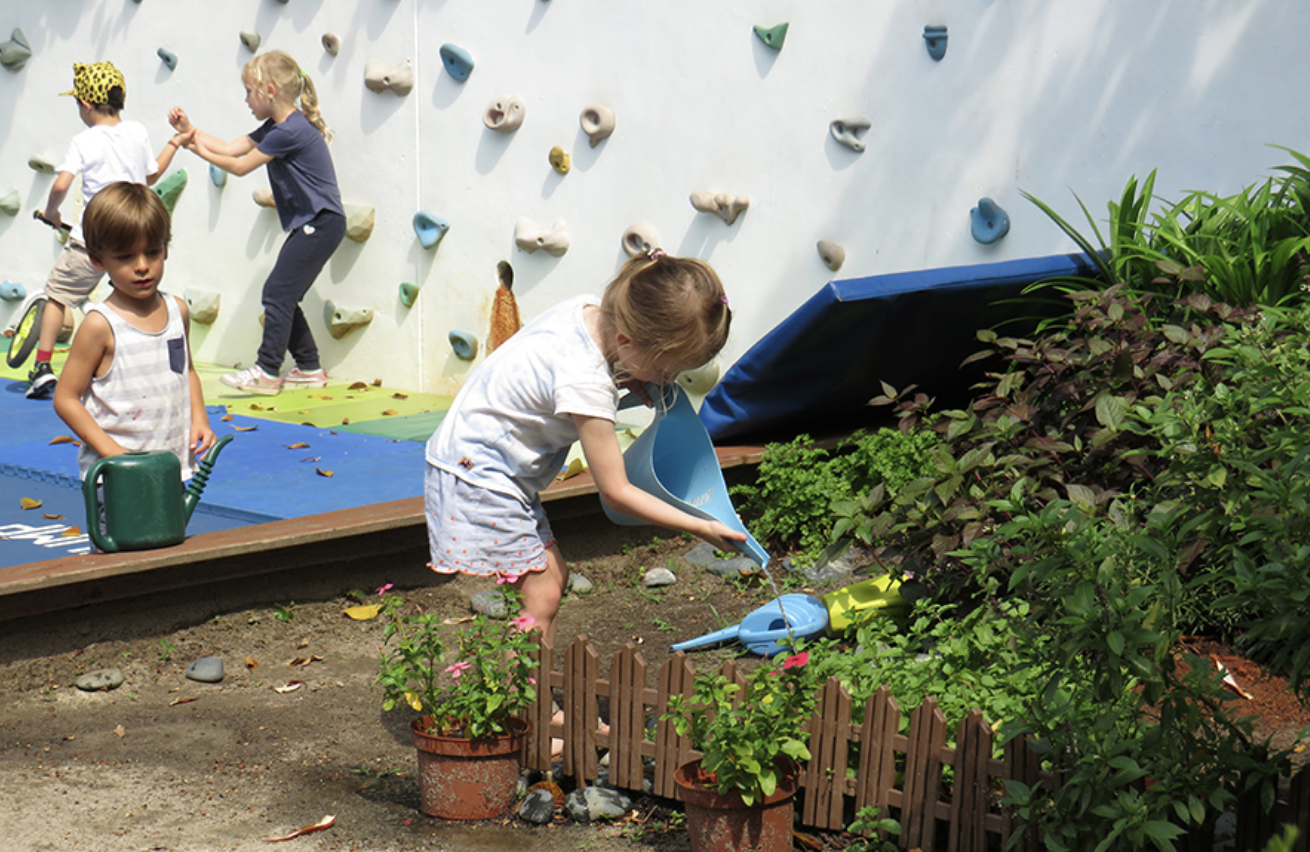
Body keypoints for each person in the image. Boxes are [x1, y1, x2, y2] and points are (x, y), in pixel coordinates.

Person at [424, 249, 746, 646]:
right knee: (542, 593)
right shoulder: (587, 381)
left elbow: (572, 369)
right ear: (626, 340)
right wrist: (698, 524)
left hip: (478, 459)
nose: (668, 380)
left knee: (551, 582)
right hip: (479, 474)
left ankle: (529, 683)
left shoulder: (590, 310)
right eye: (666, 369)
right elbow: (617, 491)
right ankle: (523, 688)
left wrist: (636, 376)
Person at [167, 50, 344, 396]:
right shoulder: (276, 128)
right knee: (282, 294)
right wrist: (191, 132)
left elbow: (239, 166)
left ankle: (267, 371)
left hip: (321, 222)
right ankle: (309, 367)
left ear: (270, 90)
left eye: (249, 91)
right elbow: (230, 148)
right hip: (319, 223)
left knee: (277, 293)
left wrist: (194, 149)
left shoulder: (289, 131)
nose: (246, 99)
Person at [26, 60, 191, 400]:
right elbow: (151, 175)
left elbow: (62, 184)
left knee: (57, 296)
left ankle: (42, 368)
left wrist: (52, 213)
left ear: (86, 104)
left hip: (95, 241)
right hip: (132, 239)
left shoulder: (83, 140)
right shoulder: (137, 132)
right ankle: (140, 367)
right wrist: (174, 143)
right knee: (137, 301)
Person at [53, 182, 215, 487]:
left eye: (152, 252)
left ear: (165, 249)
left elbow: (187, 371)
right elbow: (65, 398)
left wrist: (200, 418)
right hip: (118, 476)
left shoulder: (178, 311)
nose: (142, 266)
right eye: (125, 257)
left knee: (173, 522)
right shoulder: (101, 325)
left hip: (171, 467)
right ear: (98, 260)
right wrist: (113, 453)